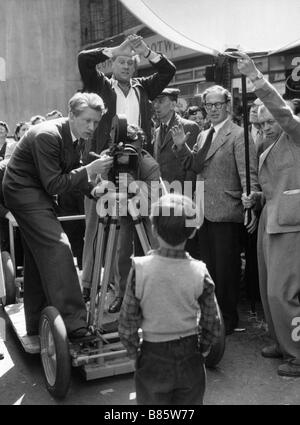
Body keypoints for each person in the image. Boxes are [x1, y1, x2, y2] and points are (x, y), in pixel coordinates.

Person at [2, 92, 113, 339]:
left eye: (96, 122)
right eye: (87, 121)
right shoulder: (48, 135)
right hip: (23, 192)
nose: (92, 127)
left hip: (37, 190)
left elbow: (71, 170)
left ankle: (35, 322)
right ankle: (74, 324)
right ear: (71, 115)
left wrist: (94, 189)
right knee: (58, 248)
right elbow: (54, 183)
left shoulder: (74, 134)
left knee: (37, 256)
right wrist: (90, 170)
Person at [78, 33, 176, 308]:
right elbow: (84, 60)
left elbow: (168, 70)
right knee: (105, 227)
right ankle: (100, 287)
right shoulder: (99, 86)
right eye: (120, 61)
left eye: (129, 63)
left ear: (135, 67)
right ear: (112, 65)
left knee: (152, 218)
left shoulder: (143, 88)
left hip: (139, 159)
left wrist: (146, 52)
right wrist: (115, 49)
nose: (125, 66)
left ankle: (159, 283)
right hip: (108, 160)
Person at [171, 85, 260, 335]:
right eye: (208, 105)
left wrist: (250, 206)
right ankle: (214, 315)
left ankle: (228, 319)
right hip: (204, 212)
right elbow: (195, 166)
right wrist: (181, 146)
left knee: (227, 269)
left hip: (227, 210)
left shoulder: (239, 135)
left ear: (228, 106)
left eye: (217, 105)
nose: (212, 109)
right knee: (209, 268)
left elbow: (248, 174)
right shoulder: (202, 134)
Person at [119, 193, 221, 405]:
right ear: (192, 232)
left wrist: (133, 351)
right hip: (190, 353)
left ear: (154, 230)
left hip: (152, 354)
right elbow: (212, 320)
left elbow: (128, 319)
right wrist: (204, 348)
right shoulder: (200, 271)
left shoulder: (140, 269)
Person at [238, 52, 300, 377]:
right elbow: (279, 183)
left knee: (283, 291)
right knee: (266, 289)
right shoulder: (270, 146)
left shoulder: (295, 133)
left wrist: (255, 77)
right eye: (260, 123)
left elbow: (283, 112)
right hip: (270, 220)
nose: (264, 127)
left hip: (292, 224)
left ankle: (299, 352)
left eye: (268, 121)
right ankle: (281, 341)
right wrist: (258, 196)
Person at [83, 124, 160, 314]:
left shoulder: (149, 166)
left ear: (141, 146)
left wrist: (134, 187)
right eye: (122, 149)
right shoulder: (107, 159)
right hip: (119, 209)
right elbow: (94, 188)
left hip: (144, 211)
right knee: (121, 251)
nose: (127, 155)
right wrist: (103, 180)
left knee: (154, 252)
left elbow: (151, 203)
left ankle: (155, 297)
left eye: (133, 149)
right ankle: (122, 294)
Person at [152, 88, 199, 185]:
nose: (156, 106)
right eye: (155, 102)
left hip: (181, 193)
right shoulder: (157, 132)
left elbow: (192, 168)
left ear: (173, 105)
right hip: (162, 192)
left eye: (160, 102)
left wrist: (187, 195)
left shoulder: (189, 127)